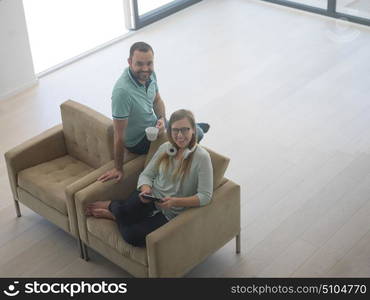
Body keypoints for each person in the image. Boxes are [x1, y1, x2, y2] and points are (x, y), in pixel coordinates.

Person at [86, 109, 213, 247]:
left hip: (171, 211)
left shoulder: (202, 158)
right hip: (151, 196)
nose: (180, 135)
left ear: (194, 129)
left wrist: (175, 201)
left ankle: (113, 212)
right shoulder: (165, 148)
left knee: (132, 236)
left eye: (185, 129)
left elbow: (205, 196)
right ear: (170, 131)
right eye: (175, 130)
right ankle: (118, 210)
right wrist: (145, 189)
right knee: (125, 212)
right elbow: (147, 174)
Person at [98, 41, 210, 183]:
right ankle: (196, 127)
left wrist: (162, 119)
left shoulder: (150, 75)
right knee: (197, 134)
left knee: (184, 126)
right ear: (129, 62)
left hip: (153, 125)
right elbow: (118, 136)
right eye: (139, 64)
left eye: (149, 63)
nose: (145, 68)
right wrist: (118, 168)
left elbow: (157, 101)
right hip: (139, 141)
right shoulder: (122, 92)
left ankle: (192, 126)